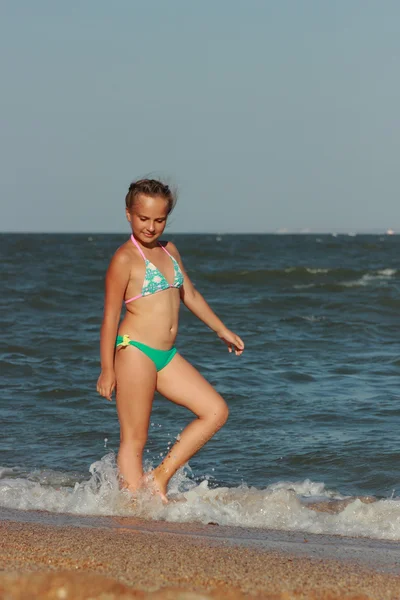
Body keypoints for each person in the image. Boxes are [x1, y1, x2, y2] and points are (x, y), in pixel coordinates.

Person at [97, 179, 244, 502]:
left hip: (166, 355)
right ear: (128, 215)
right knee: (135, 439)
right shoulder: (124, 259)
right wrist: (107, 369)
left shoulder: (170, 250)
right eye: (143, 219)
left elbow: (189, 294)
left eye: (159, 220)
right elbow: (109, 317)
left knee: (215, 411)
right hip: (134, 351)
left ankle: (159, 478)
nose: (151, 227)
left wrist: (221, 329)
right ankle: (133, 510)